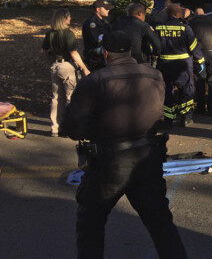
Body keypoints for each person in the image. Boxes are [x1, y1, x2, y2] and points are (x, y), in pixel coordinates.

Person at [62, 31, 188, 259]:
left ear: (106, 53)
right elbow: (164, 114)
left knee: (90, 224)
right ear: (130, 51)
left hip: (108, 162)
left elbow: (73, 127)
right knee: (161, 224)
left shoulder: (94, 82)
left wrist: (96, 130)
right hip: (148, 157)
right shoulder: (155, 76)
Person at [154, 4, 205, 127]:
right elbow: (194, 47)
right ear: (178, 15)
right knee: (186, 90)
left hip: (165, 65)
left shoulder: (158, 28)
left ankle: (168, 120)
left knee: (167, 92)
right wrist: (200, 62)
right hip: (183, 66)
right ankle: (186, 117)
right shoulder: (185, 28)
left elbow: (153, 47)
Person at [41, 8, 90, 137]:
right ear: (64, 19)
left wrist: (51, 61)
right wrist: (84, 68)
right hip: (67, 66)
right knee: (70, 97)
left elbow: (43, 51)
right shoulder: (68, 34)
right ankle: (70, 127)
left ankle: (55, 128)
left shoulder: (50, 33)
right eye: (69, 17)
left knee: (56, 98)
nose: (70, 19)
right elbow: (73, 53)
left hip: (55, 66)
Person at [188, 5, 212, 116]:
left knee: (200, 80)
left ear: (195, 15)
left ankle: (201, 108)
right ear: (204, 14)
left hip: (201, 54)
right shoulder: (211, 19)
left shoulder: (192, 23)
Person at [82, 0, 113, 71]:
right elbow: (97, 41)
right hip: (95, 58)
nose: (108, 10)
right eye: (106, 8)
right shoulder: (91, 23)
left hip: (103, 57)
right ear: (98, 9)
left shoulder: (104, 22)